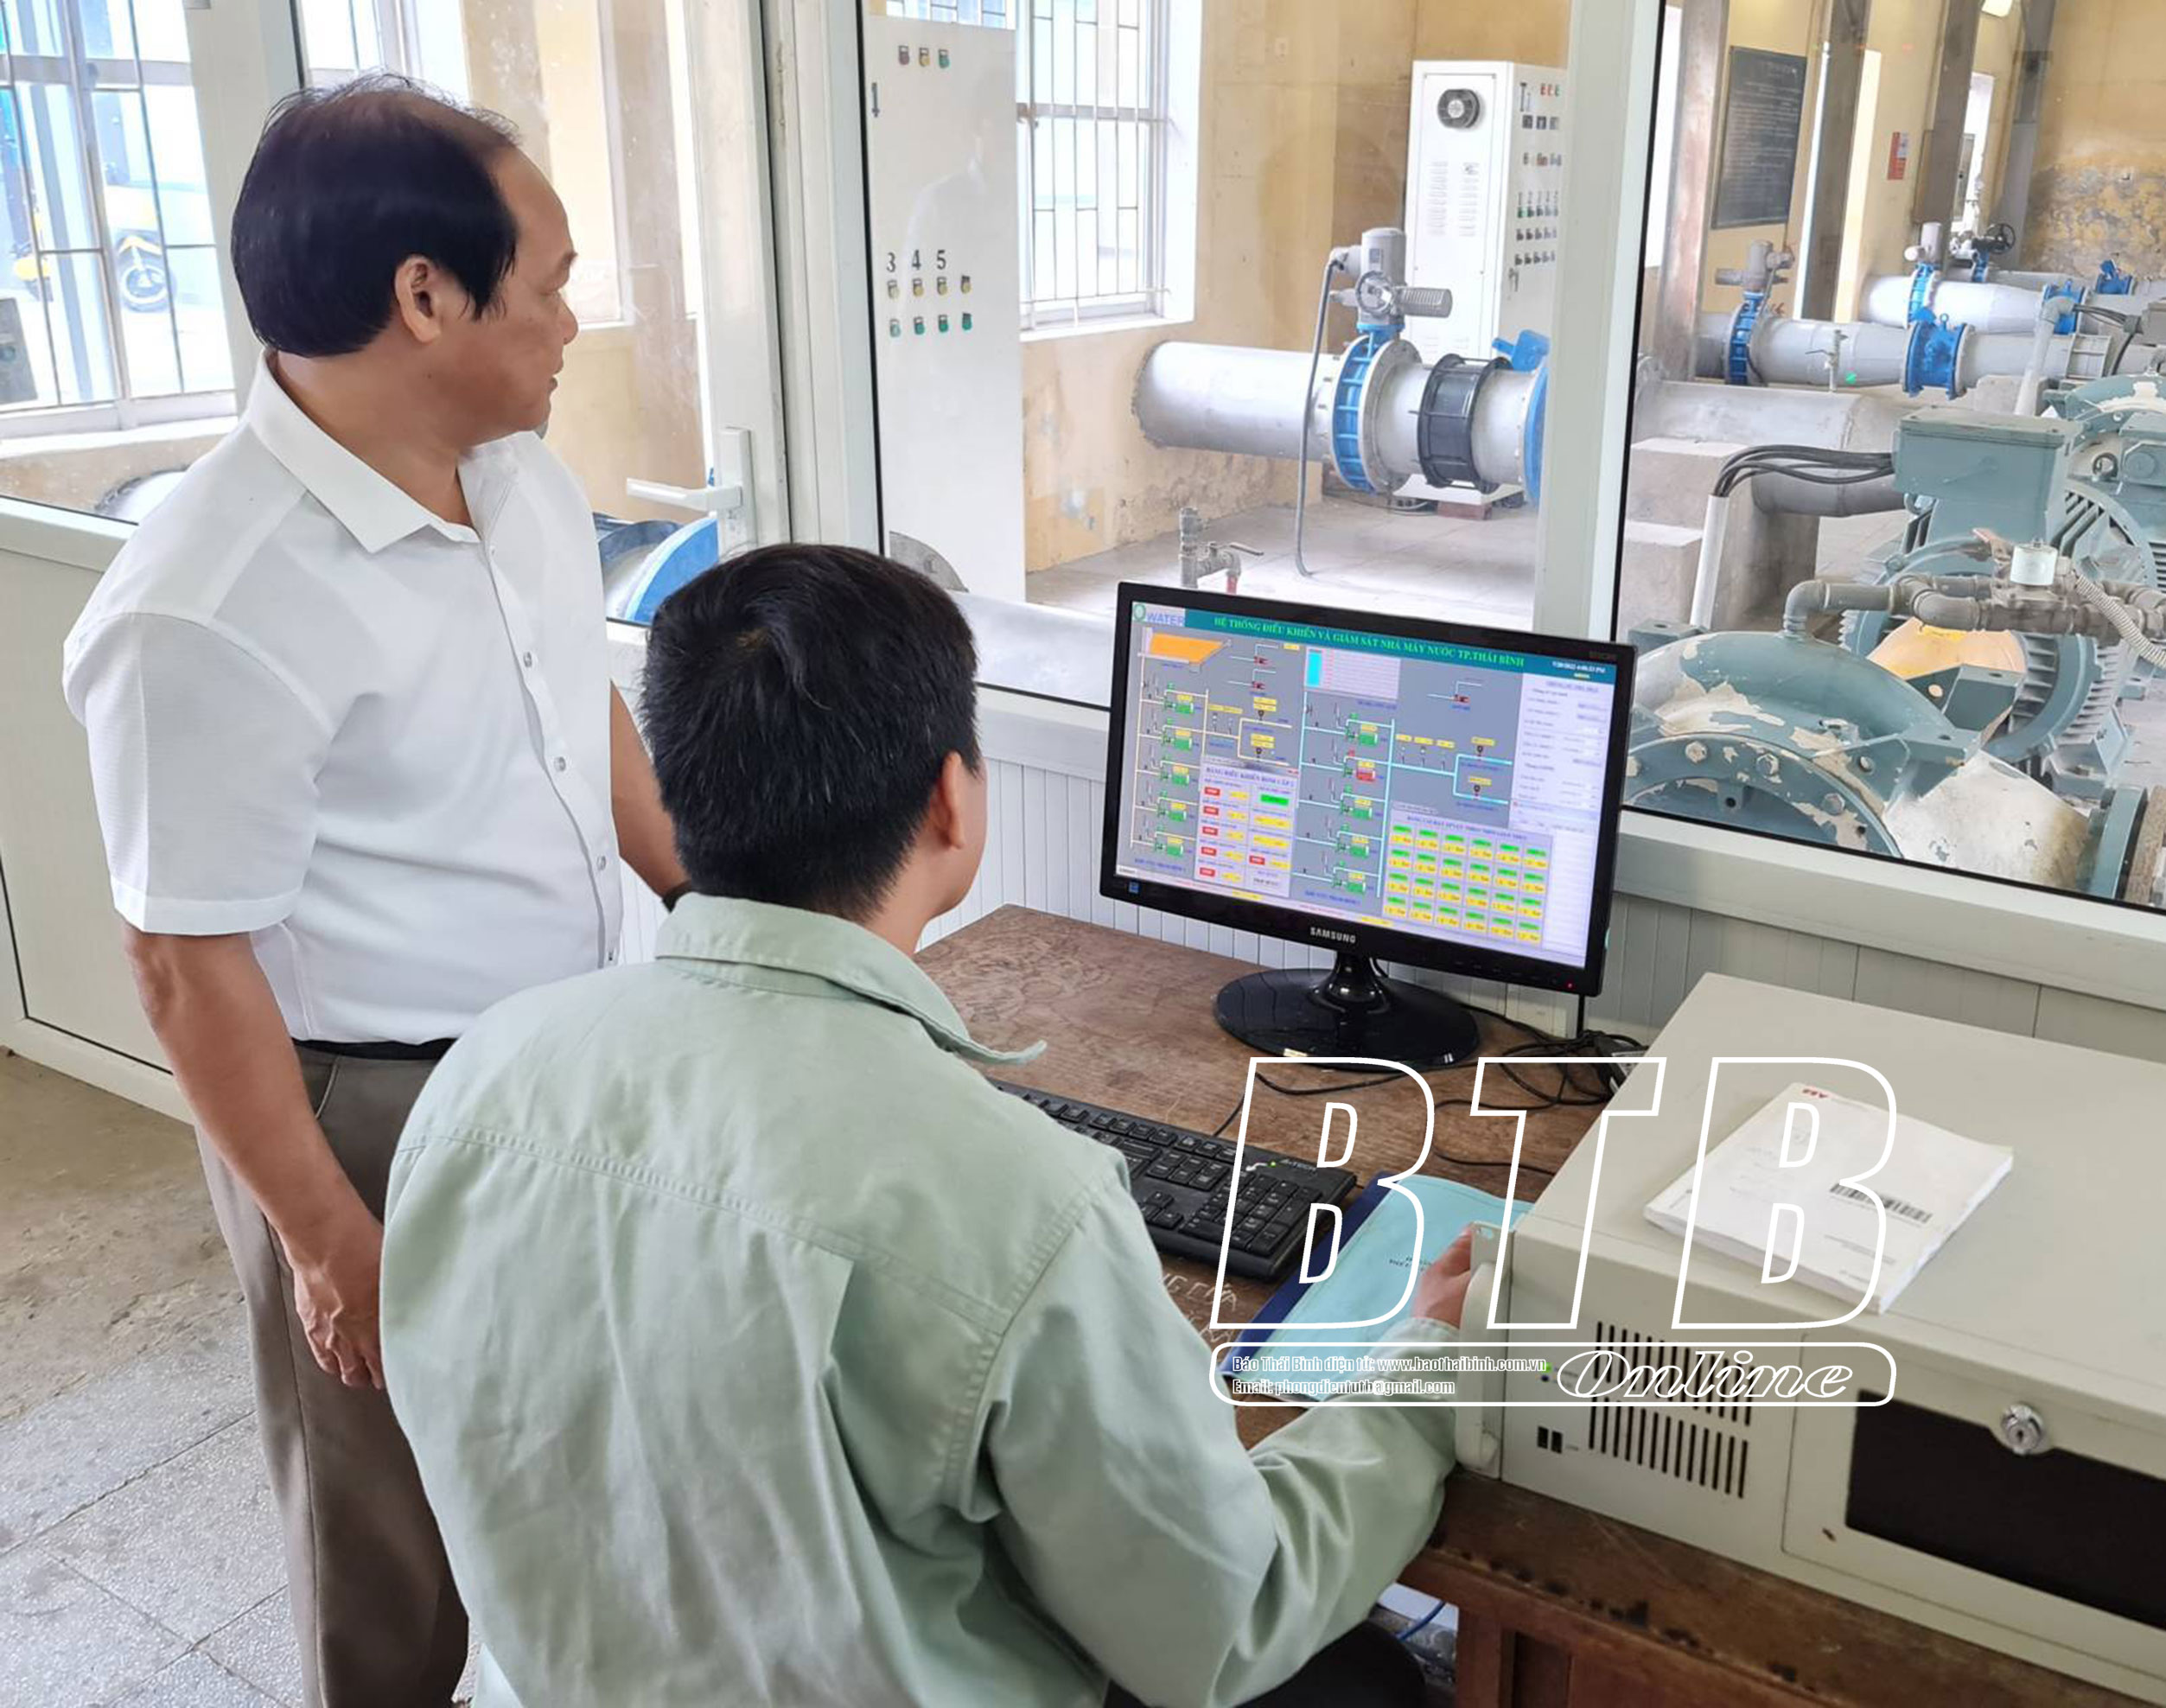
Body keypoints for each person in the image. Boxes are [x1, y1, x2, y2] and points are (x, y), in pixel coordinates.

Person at [379, 545, 1478, 1708]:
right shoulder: (1021, 1199)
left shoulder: (480, 1079)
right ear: (953, 798)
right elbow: (1217, 1633)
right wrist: (1425, 1380)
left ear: (680, 789)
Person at [61, 77, 688, 1707]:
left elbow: (575, 704)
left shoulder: (519, 479)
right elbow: (183, 964)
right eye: (549, 281)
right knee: (388, 1545)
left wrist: (710, 902)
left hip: (572, 1055)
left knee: (574, 1462)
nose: (570, 322)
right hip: (367, 1115)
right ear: (426, 295)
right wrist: (330, 1241)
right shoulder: (207, 605)